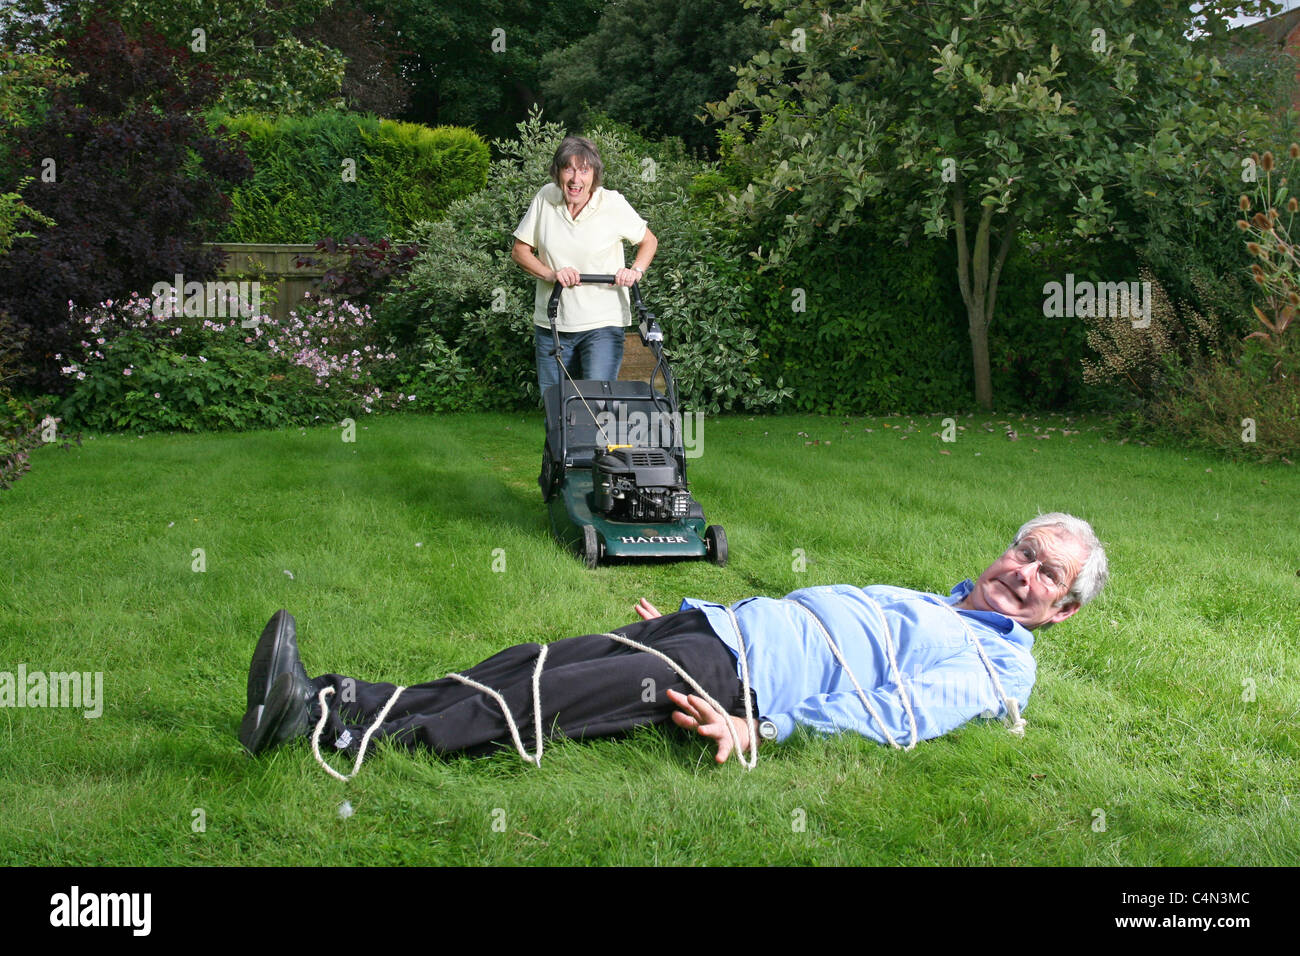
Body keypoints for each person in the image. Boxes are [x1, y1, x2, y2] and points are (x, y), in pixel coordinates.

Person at [238, 513, 1107, 767]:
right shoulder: (944, 601)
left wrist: (760, 729)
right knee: (530, 664)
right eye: (1026, 551)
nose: (1025, 573)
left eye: (1048, 577)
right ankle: (339, 701)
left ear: (1059, 611)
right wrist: (692, 611)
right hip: (709, 628)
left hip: (732, 677)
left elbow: (900, 713)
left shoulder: (996, 668)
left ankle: (331, 723)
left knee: (545, 698)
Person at [511, 135, 658, 396]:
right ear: (557, 172)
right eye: (568, 169)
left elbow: (649, 241)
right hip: (553, 324)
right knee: (556, 408)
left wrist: (634, 271)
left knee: (598, 404)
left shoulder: (612, 204)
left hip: (602, 323)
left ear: (594, 174)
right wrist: (551, 274)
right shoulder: (546, 197)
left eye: (584, 170)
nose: (575, 179)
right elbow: (520, 251)